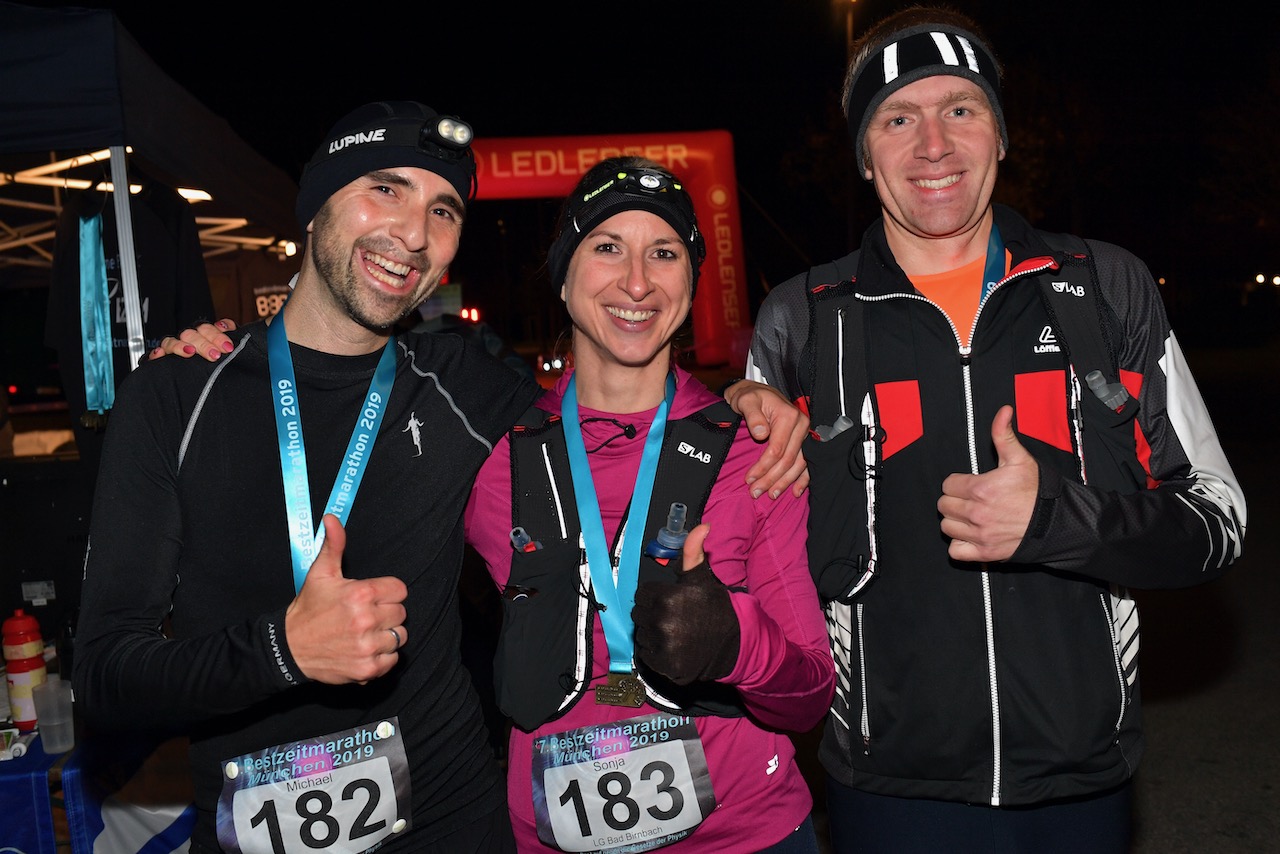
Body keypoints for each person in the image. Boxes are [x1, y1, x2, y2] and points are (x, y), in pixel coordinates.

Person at [105, 102, 811, 854]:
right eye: (385, 188)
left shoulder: (464, 390)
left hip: (454, 824)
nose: (412, 232)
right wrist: (283, 649)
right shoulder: (179, 394)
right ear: (314, 210)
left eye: (441, 209)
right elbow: (112, 677)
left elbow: (622, 404)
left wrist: (746, 397)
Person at [735, 6, 1248, 853]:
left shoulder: (1102, 289)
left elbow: (1219, 521)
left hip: (1078, 782)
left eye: (961, 110)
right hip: (889, 788)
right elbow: (755, 552)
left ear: (1002, 138)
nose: (933, 145)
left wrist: (1055, 522)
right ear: (865, 156)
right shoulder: (801, 321)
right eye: (898, 118)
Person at [464, 156, 835, 852]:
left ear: (691, 284)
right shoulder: (490, 459)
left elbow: (811, 694)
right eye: (607, 247)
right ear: (564, 276)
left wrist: (737, 643)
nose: (637, 282)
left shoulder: (755, 451)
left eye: (663, 253)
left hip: (743, 835)